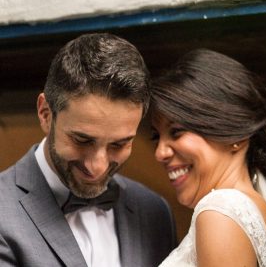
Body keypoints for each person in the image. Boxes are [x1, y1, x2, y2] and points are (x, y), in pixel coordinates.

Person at [0, 32, 176, 267]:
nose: (98, 166)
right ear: (45, 114)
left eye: (119, 144)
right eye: (82, 140)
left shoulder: (155, 211)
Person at [149, 49, 266, 267]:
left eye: (176, 131)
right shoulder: (256, 208)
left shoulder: (220, 211)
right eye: (157, 137)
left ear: (237, 136)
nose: (160, 153)